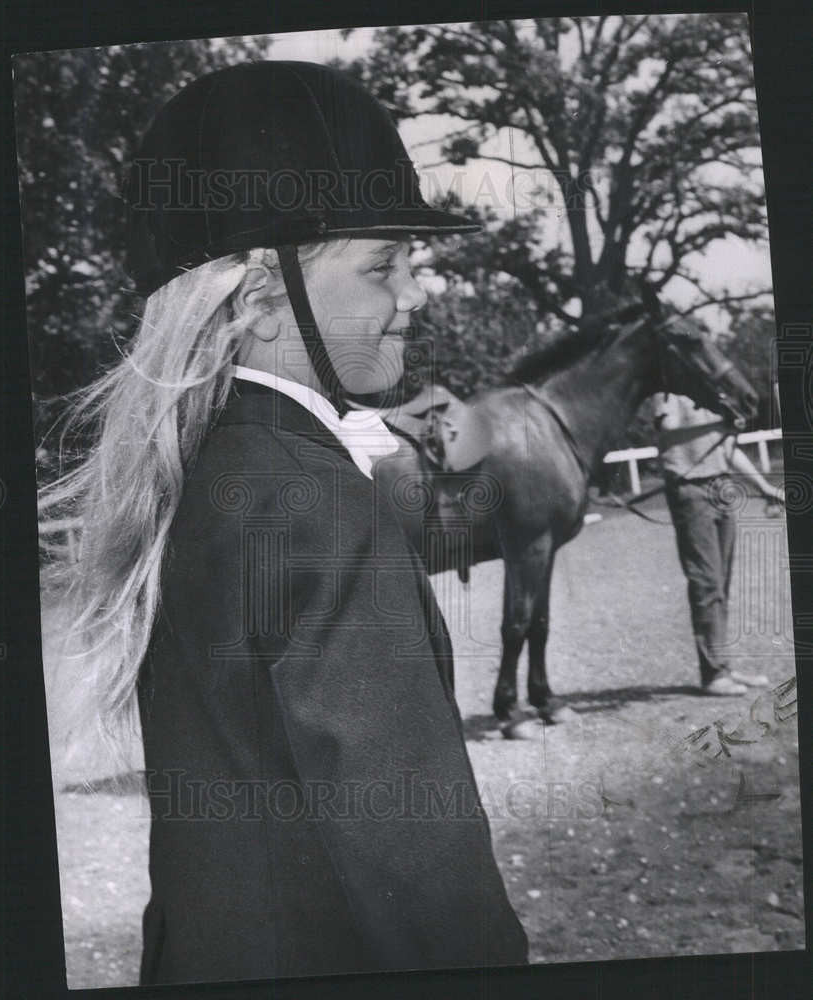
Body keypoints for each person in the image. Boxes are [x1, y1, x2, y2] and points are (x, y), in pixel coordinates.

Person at [40, 61, 527, 987]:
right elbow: (421, 873)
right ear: (261, 297)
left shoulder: (202, 476)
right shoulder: (321, 509)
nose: (415, 295)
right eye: (383, 264)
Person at [653, 392, 784, 696]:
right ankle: (713, 674)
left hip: (722, 485)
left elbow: (726, 449)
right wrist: (720, 418)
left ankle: (722, 666)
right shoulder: (668, 391)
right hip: (690, 488)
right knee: (705, 581)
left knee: (720, 582)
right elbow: (669, 426)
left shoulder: (714, 395)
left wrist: (764, 488)